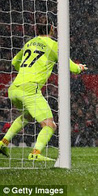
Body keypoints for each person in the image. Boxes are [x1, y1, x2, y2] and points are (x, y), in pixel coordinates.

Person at [0, 16, 88, 161]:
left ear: (36, 29)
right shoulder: (53, 45)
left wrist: (24, 72)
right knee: (50, 125)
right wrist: (80, 68)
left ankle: (3, 142)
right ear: (52, 29)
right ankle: (35, 153)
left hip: (14, 88)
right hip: (29, 89)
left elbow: (14, 61)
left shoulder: (30, 42)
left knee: (27, 116)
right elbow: (72, 68)